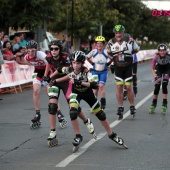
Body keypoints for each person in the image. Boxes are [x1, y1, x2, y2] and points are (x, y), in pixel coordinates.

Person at [53, 50, 128, 151]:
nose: (75, 65)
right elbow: (59, 69)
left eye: (78, 63)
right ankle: (78, 135)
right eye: (74, 63)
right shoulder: (69, 69)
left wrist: (81, 82)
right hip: (76, 93)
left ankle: (111, 134)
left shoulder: (86, 71)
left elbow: (94, 84)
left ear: (82, 63)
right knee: (73, 112)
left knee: (100, 114)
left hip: (88, 93)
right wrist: (51, 78)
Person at [43, 40, 96, 148]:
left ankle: (86, 120)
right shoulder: (49, 57)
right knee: (52, 106)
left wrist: (54, 79)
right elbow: (49, 65)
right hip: (55, 82)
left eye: (56, 49)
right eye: (51, 49)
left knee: (73, 107)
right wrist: (47, 76)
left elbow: (70, 74)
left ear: (60, 49)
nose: (53, 51)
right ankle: (52, 132)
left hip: (67, 82)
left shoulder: (66, 58)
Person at [106, 25, 139, 120]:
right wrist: (113, 61)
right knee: (119, 86)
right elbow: (108, 53)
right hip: (118, 67)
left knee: (128, 87)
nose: (118, 35)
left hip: (128, 66)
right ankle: (120, 107)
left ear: (123, 33)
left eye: (120, 32)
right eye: (116, 33)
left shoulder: (130, 40)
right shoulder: (111, 42)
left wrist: (127, 55)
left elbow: (136, 50)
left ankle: (132, 105)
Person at [24, 40, 47, 128]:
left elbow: (49, 64)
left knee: (51, 93)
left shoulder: (41, 55)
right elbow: (30, 64)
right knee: (35, 92)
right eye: (28, 50)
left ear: (36, 50)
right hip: (38, 71)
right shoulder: (27, 57)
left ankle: (59, 113)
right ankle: (37, 114)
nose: (30, 52)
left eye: (33, 50)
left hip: (47, 71)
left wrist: (45, 76)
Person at [86, 36, 112, 110]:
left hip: (103, 72)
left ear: (103, 44)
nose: (99, 45)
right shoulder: (94, 52)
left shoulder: (106, 52)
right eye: (98, 43)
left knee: (101, 86)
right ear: (96, 44)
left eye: (101, 43)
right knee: (95, 89)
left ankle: (103, 104)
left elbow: (112, 58)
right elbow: (87, 57)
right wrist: (92, 64)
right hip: (95, 72)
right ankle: (94, 105)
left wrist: (108, 64)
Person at [149, 44, 170, 114]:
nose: (162, 52)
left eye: (164, 51)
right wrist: (155, 76)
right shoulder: (156, 57)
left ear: (166, 51)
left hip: (167, 70)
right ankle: (154, 103)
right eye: (161, 51)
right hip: (159, 70)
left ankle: (164, 103)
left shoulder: (169, 56)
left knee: (164, 84)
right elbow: (152, 68)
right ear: (158, 51)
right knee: (157, 87)